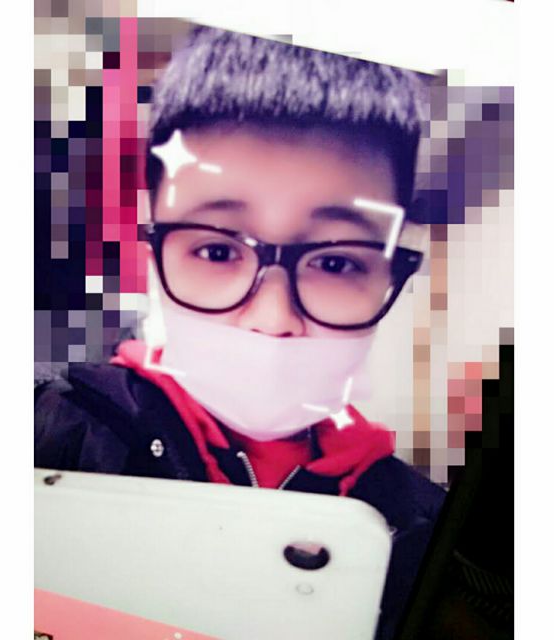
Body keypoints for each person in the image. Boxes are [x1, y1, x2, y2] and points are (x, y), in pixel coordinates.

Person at [35, 26, 445, 639]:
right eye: (217, 251)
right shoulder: (47, 432)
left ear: (389, 272)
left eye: (336, 262)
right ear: (154, 253)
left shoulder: (427, 534)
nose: (272, 318)